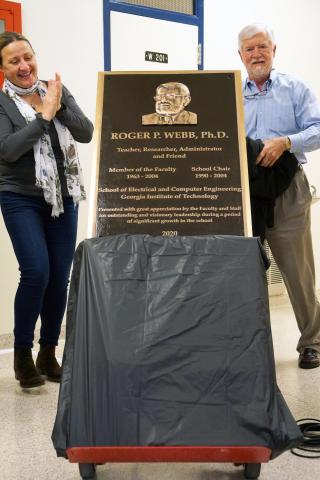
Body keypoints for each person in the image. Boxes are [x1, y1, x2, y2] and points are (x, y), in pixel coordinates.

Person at [0, 32, 93, 388]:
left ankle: (48, 352)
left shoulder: (56, 89)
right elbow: (8, 150)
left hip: (64, 195)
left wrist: (59, 104)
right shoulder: (3, 104)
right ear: (3, 69)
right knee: (36, 273)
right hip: (20, 196)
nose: (24, 66)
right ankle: (22, 355)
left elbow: (85, 132)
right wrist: (44, 117)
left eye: (28, 57)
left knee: (59, 277)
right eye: (14, 61)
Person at [238, 23, 320, 368]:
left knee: (297, 270)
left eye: (263, 47)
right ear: (240, 55)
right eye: (249, 49)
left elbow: (317, 129)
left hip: (288, 188)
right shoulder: (232, 93)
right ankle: (250, 347)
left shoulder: (294, 89)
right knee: (244, 271)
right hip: (246, 190)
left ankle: (312, 342)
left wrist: (286, 142)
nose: (257, 54)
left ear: (274, 50)